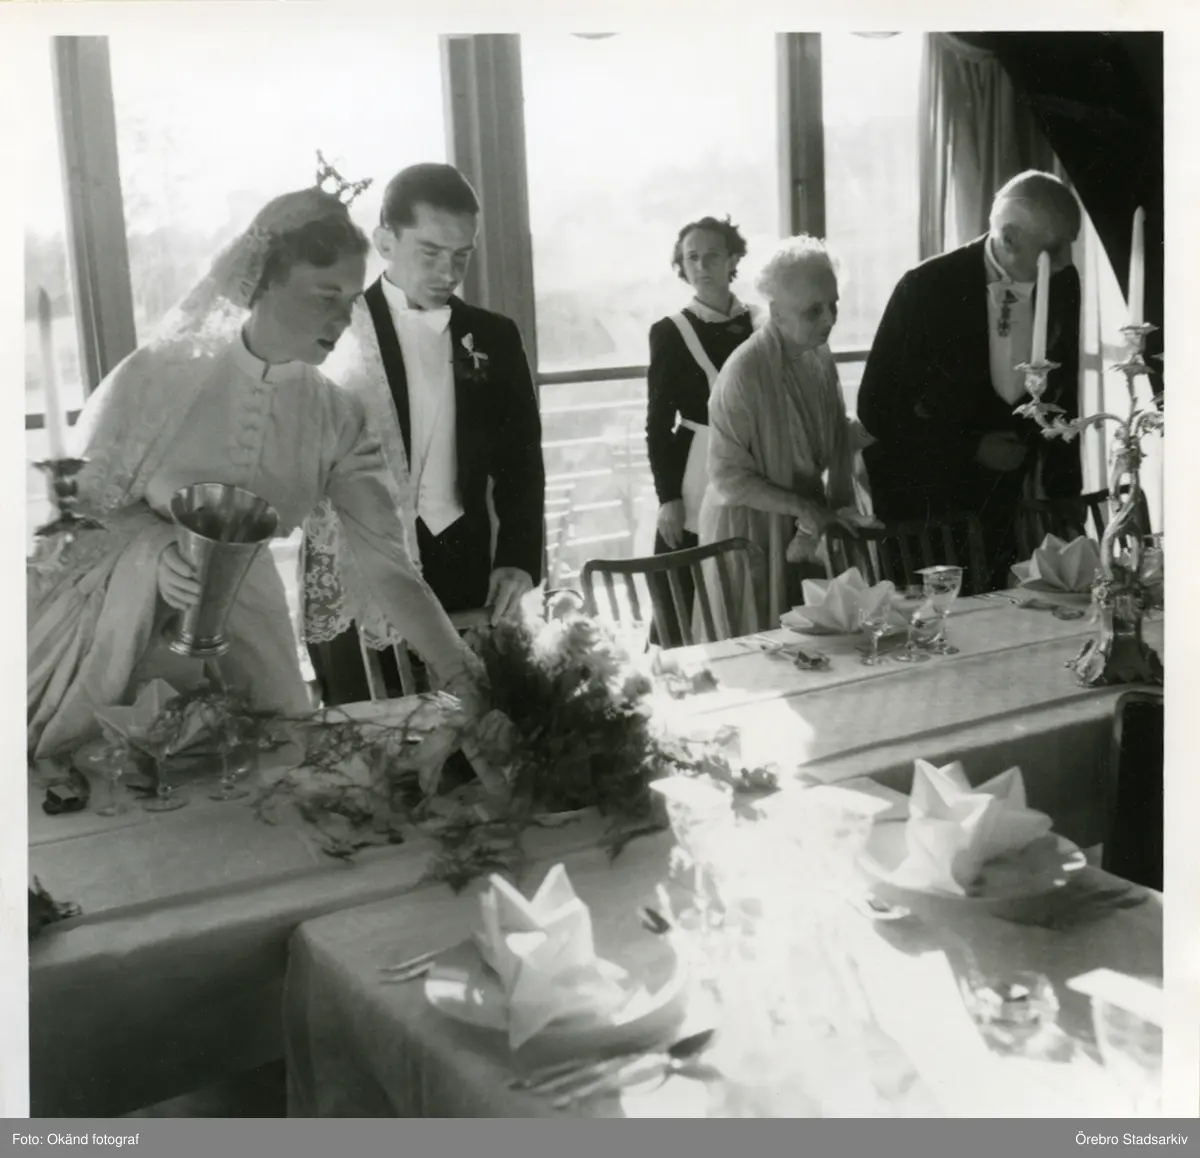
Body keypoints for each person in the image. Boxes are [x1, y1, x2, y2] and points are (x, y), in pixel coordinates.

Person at [27, 172, 485, 761]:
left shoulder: (338, 417)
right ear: (264, 282)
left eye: (350, 300)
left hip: (252, 636)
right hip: (127, 639)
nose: (342, 318)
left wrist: (462, 671)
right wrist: (155, 556)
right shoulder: (157, 381)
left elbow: (388, 567)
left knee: (273, 777)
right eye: (324, 296)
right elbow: (76, 532)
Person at [309, 163, 545, 704]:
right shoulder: (334, 330)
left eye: (462, 255)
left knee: (472, 727)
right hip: (359, 569)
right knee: (370, 730)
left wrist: (518, 557)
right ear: (385, 242)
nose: (448, 272)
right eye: (431, 252)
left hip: (467, 567)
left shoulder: (494, 336)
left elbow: (521, 457)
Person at [857, 169, 1083, 591]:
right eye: (1054, 248)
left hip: (1005, 503)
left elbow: (1065, 392)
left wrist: (1064, 496)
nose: (1067, 261)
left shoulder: (1064, 283)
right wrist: (970, 446)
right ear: (1009, 238)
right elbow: (876, 409)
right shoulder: (924, 288)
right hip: (927, 504)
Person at [699, 236, 870, 635]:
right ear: (776, 313)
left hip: (803, 522)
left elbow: (824, 434)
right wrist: (802, 508)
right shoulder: (745, 371)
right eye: (814, 311)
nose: (829, 320)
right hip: (748, 529)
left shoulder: (817, 354)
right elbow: (726, 476)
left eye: (833, 305)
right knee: (760, 643)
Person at [644, 215, 758, 646]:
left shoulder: (761, 322)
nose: (702, 265)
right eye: (692, 257)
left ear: (732, 260)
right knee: (687, 587)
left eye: (712, 255)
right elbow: (657, 423)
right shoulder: (671, 331)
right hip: (698, 468)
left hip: (758, 460)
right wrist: (668, 498)